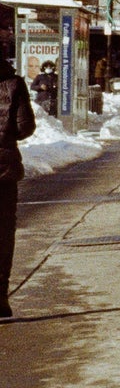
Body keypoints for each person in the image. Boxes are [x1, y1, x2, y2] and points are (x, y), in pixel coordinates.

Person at [0, 51, 36, 319]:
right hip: (4, 168)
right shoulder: (13, 83)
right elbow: (25, 127)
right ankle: (0, 297)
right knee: (3, 233)